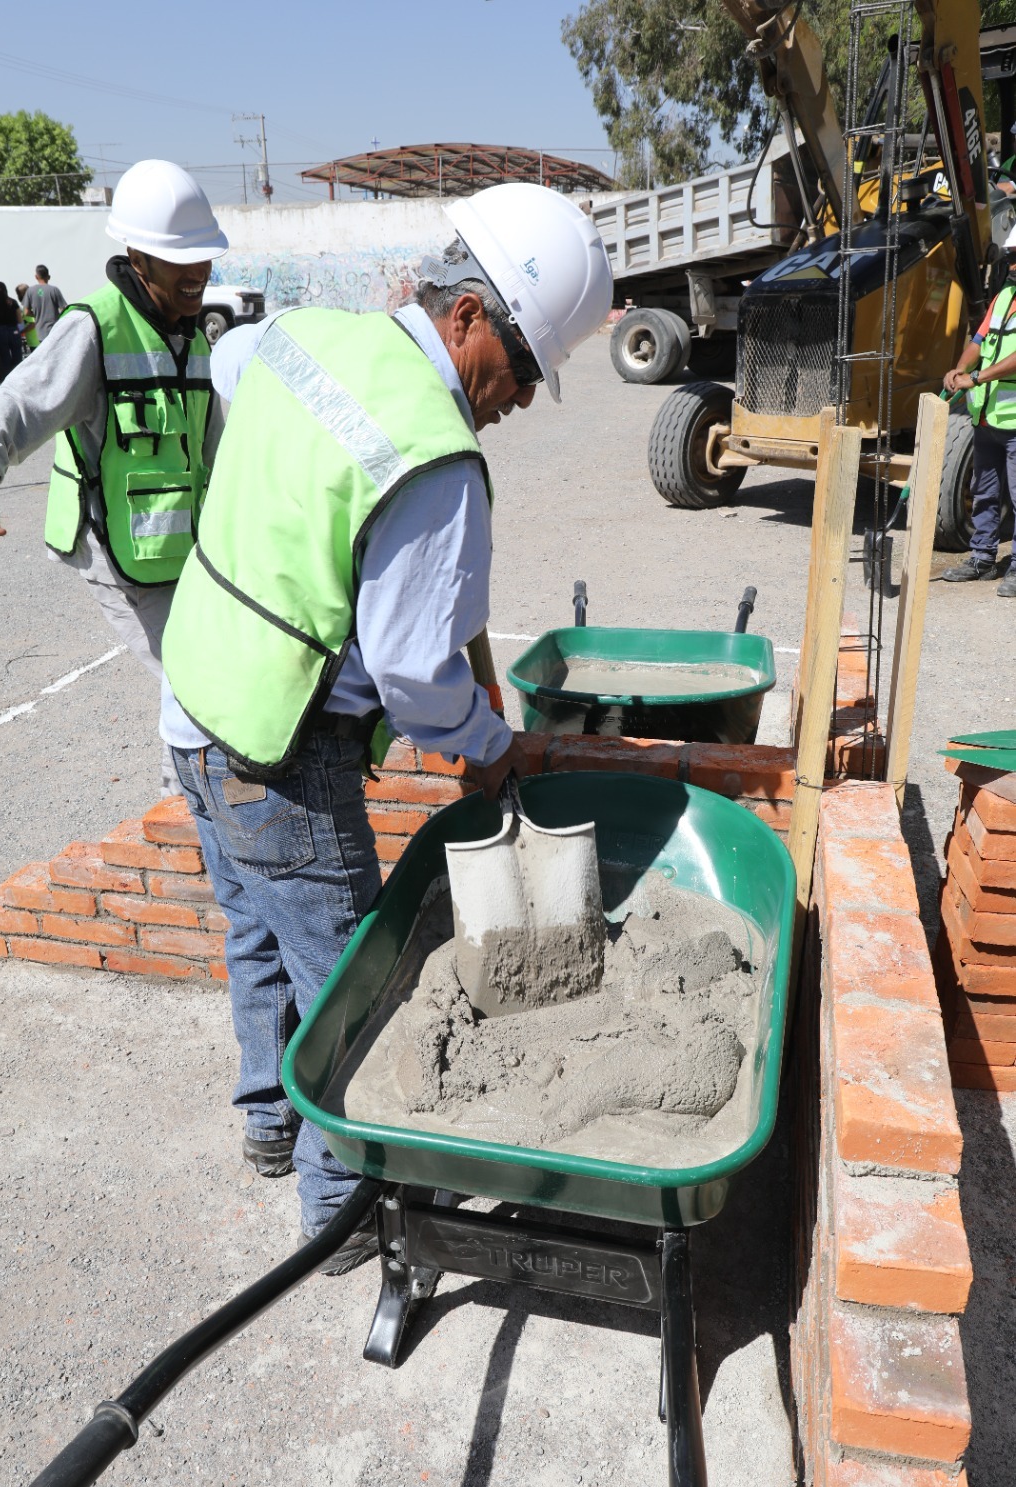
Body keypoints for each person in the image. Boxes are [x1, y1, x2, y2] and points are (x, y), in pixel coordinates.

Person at [159, 182, 614, 1271]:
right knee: (352, 995)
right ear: (467, 320)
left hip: (191, 704)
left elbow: (228, 377)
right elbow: (414, 677)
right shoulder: (436, 457)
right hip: (281, 749)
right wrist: (490, 743)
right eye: (520, 372)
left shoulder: (302, 335)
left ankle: (270, 1122)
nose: (514, 400)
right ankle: (343, 1222)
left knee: (254, 932)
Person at [0, 161, 228, 794]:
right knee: (193, 676)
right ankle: (184, 812)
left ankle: (190, 809)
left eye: (203, 258)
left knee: (208, 665)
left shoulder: (195, 336)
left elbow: (211, 444)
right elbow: (23, 399)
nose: (199, 274)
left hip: (179, 547)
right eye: (181, 259)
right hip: (113, 545)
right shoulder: (94, 326)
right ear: (138, 255)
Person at [942, 223, 1016, 596]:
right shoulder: (1003, 298)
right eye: (1013, 258)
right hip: (987, 419)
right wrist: (961, 368)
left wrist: (979, 377)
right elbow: (979, 339)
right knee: (984, 491)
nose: (1013, 267)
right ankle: (983, 557)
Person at [0, 283, 24, 376]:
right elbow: (20, 320)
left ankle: (7, 380)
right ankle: (19, 378)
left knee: (4, 358)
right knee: (17, 357)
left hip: (0, 331)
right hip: (14, 330)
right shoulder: (13, 302)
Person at [23, 265, 67, 342]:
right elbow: (63, 309)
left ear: (36, 277)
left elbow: (26, 312)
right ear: (49, 276)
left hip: (40, 332)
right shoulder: (54, 290)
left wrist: (37, 314)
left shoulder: (30, 291)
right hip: (54, 330)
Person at [16, 284, 39, 352]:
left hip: (35, 342)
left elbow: (32, 324)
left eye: (19, 294)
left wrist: (20, 332)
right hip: (34, 341)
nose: (18, 296)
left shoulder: (29, 306)